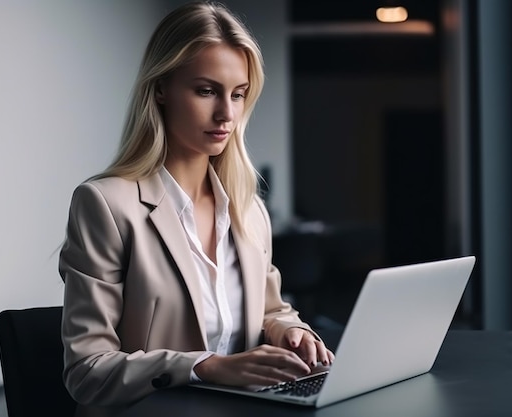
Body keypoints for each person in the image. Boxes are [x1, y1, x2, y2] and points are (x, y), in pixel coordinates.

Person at [58, 1, 334, 414]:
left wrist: (290, 331)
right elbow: (88, 371)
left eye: (238, 95)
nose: (226, 114)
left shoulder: (249, 211)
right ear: (160, 89)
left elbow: (272, 309)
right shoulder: (106, 205)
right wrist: (206, 367)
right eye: (206, 91)